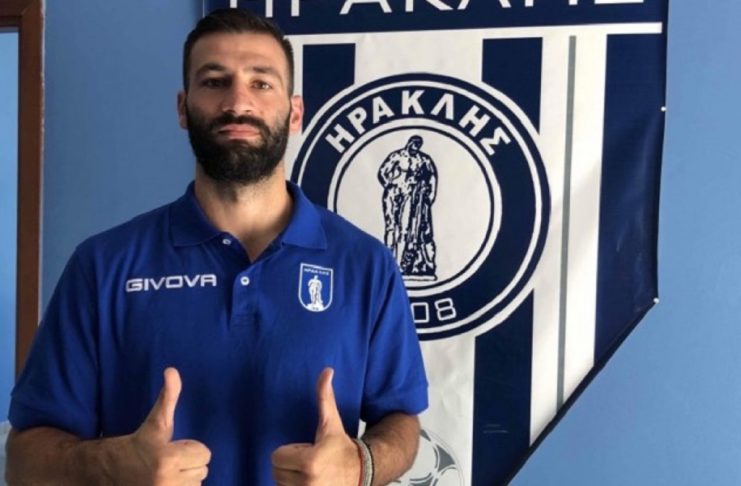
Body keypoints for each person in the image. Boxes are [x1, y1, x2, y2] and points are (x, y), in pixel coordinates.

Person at [5, 9, 428, 486]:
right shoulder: (103, 266)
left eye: (261, 83)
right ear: (183, 108)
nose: (238, 102)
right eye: (214, 81)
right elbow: (22, 459)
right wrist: (112, 465)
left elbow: (401, 421)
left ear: (295, 113)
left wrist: (360, 465)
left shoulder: (365, 264)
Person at [378, 135, 438, 280]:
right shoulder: (397, 156)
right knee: (391, 228)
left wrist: (431, 194)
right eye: (414, 143)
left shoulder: (423, 159)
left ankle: (404, 264)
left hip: (412, 197)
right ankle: (389, 262)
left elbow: (432, 176)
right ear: (409, 143)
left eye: (418, 144)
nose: (416, 147)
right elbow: (382, 172)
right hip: (394, 195)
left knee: (407, 230)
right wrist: (390, 185)